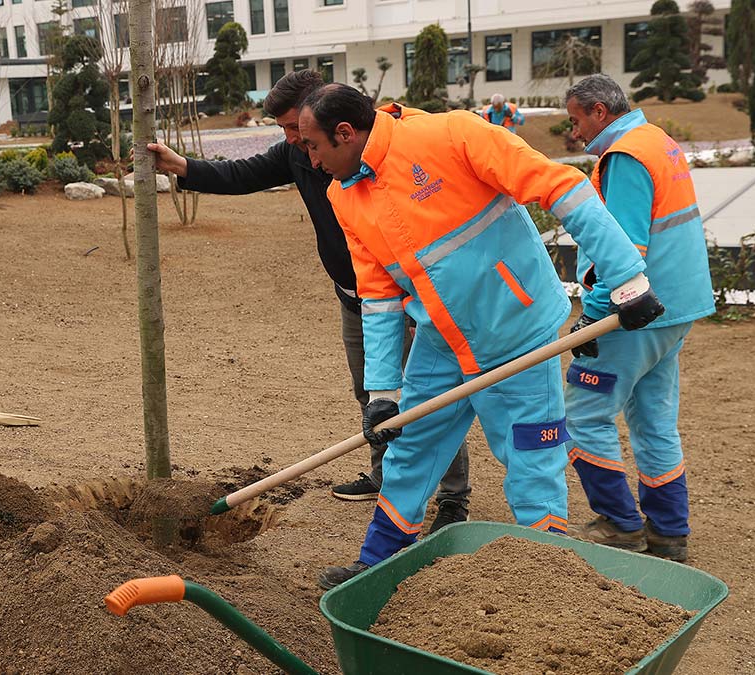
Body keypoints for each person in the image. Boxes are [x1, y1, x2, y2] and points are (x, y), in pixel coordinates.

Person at [297, 84, 666, 590]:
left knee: (532, 460)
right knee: (410, 450)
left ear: (344, 133)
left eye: (313, 146)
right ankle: (377, 560)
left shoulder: (452, 133)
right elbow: (379, 295)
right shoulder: (345, 196)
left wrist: (627, 276)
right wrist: (384, 392)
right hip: (441, 341)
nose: (312, 162)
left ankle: (547, 577)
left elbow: (562, 187)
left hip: (518, 330)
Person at [147, 70, 472, 533]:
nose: (289, 138)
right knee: (373, 392)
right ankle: (385, 476)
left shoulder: (374, 150)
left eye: (292, 127)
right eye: (283, 129)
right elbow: (244, 173)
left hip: (405, 299)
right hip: (353, 296)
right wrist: (182, 167)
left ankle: (453, 498)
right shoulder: (298, 153)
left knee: (428, 398)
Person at [562, 75, 714, 562]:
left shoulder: (624, 157)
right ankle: (669, 534)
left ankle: (620, 524)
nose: (575, 133)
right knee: (653, 419)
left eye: (576, 120)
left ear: (599, 112)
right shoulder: (657, 142)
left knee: (584, 412)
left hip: (637, 312)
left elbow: (624, 250)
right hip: (676, 308)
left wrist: (596, 313)